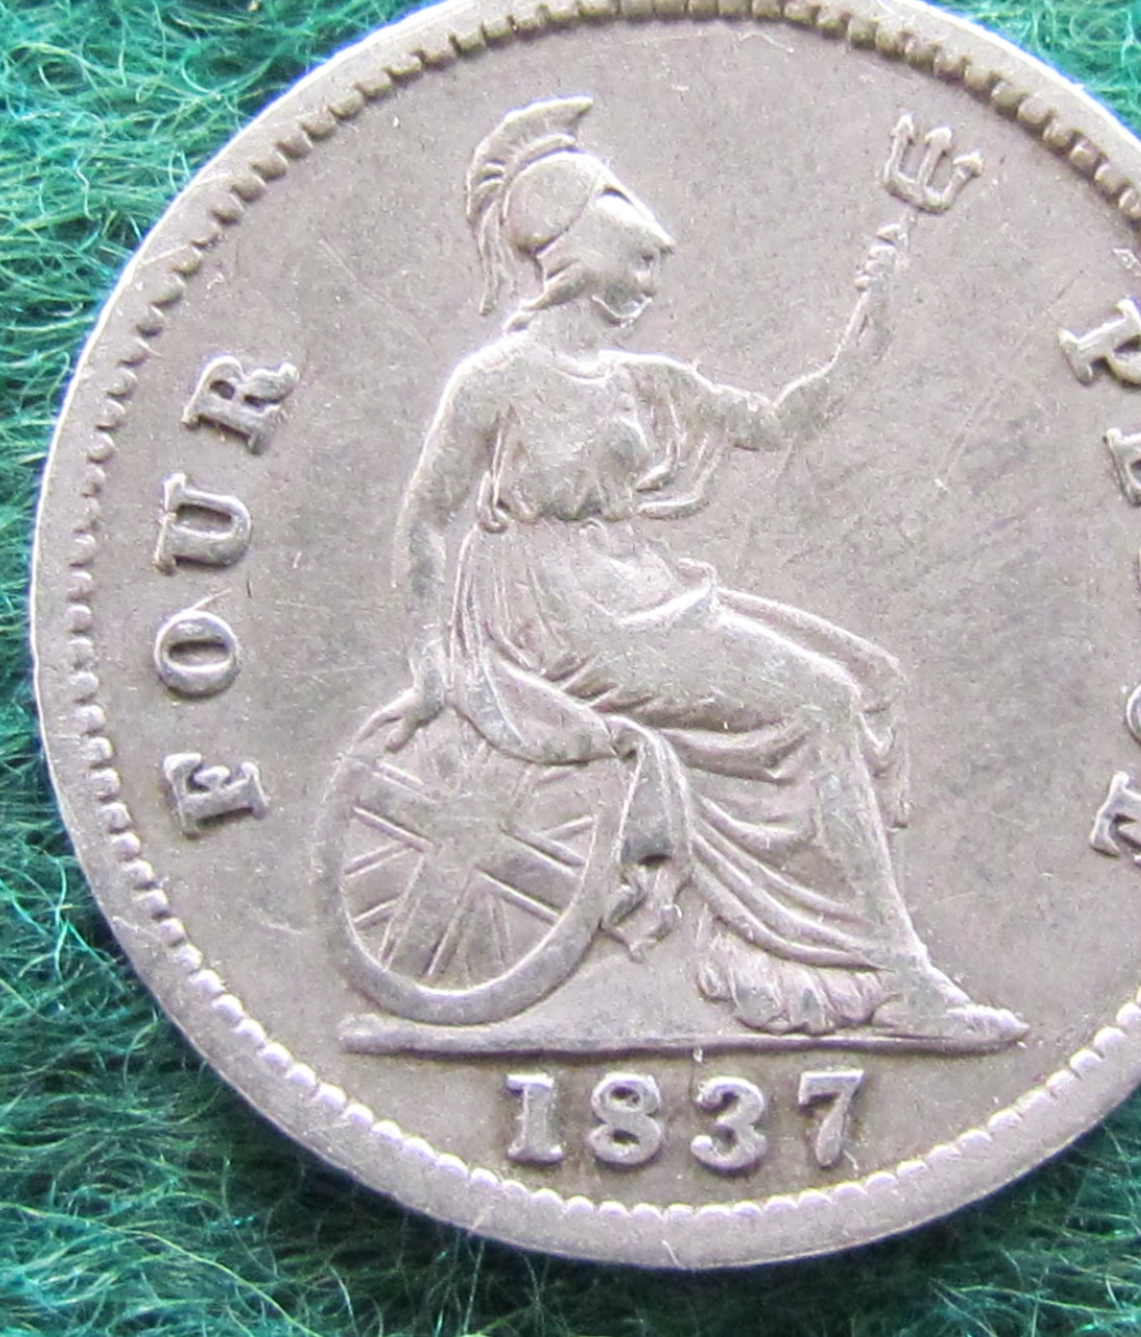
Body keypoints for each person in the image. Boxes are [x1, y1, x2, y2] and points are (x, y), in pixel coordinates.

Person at [368, 97, 1024, 1047]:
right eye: (637, 259)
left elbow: (780, 420)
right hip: (554, 613)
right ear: (576, 249)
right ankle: (896, 975)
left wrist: (871, 317)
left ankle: (844, 957)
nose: (652, 273)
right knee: (820, 702)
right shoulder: (495, 381)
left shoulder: (641, 381)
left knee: (854, 683)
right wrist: (435, 661)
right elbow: (427, 517)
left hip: (635, 591)